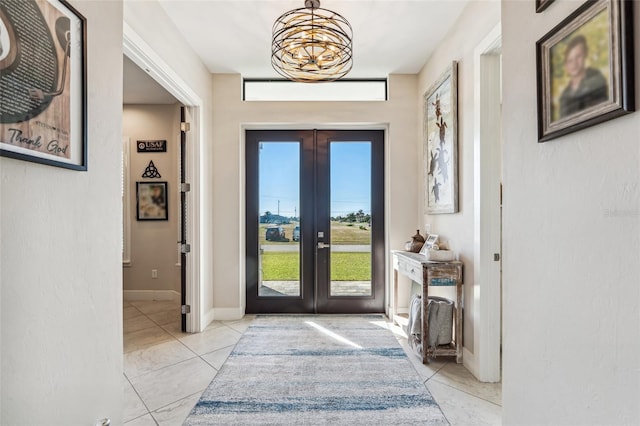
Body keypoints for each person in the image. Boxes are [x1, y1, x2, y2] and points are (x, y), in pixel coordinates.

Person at [558, 34, 608, 118]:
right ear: (566, 65)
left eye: (578, 56)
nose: (574, 63)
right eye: (570, 60)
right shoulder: (564, 95)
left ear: (585, 55)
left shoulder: (596, 79)